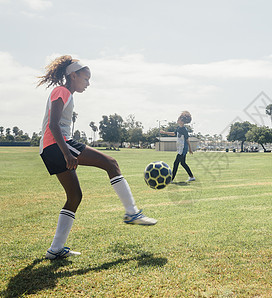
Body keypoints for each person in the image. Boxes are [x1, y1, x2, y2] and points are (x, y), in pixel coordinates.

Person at [37, 55, 157, 260]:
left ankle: (55, 249)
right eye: (85, 78)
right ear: (73, 75)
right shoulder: (62, 91)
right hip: (57, 145)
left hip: (48, 148)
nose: (88, 83)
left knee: (75, 197)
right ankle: (132, 212)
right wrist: (66, 153)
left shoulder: (65, 93)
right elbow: (53, 125)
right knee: (111, 163)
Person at [160, 111, 195, 182]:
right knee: (183, 163)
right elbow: (174, 133)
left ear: (182, 121)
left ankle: (171, 179)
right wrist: (164, 132)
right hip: (180, 148)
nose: (177, 120)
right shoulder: (179, 128)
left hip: (183, 149)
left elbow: (187, 139)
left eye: (179, 119)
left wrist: (190, 149)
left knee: (176, 163)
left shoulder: (184, 130)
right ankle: (192, 177)